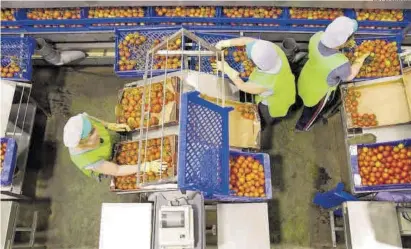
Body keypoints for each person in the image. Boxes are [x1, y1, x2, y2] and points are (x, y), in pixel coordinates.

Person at [296, 16, 370, 131]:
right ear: (343, 43)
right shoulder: (340, 62)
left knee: (301, 95)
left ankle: (297, 105)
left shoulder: (317, 37)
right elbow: (349, 76)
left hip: (306, 77)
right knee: (311, 111)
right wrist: (359, 60)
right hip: (318, 93)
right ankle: (303, 126)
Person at [212, 37, 296, 132]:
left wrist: (227, 69)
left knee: (264, 116)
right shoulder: (272, 49)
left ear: (259, 66)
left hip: (274, 103)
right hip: (287, 84)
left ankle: (262, 126)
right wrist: (224, 43)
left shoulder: (267, 82)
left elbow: (242, 86)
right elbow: (246, 40)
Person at [63, 113, 165, 179]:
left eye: (94, 128)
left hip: (107, 143)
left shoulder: (83, 121)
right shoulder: (87, 159)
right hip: (103, 164)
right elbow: (117, 170)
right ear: (85, 143)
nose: (97, 131)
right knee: (118, 166)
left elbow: (93, 119)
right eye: (92, 133)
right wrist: (143, 167)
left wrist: (109, 125)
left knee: (118, 147)